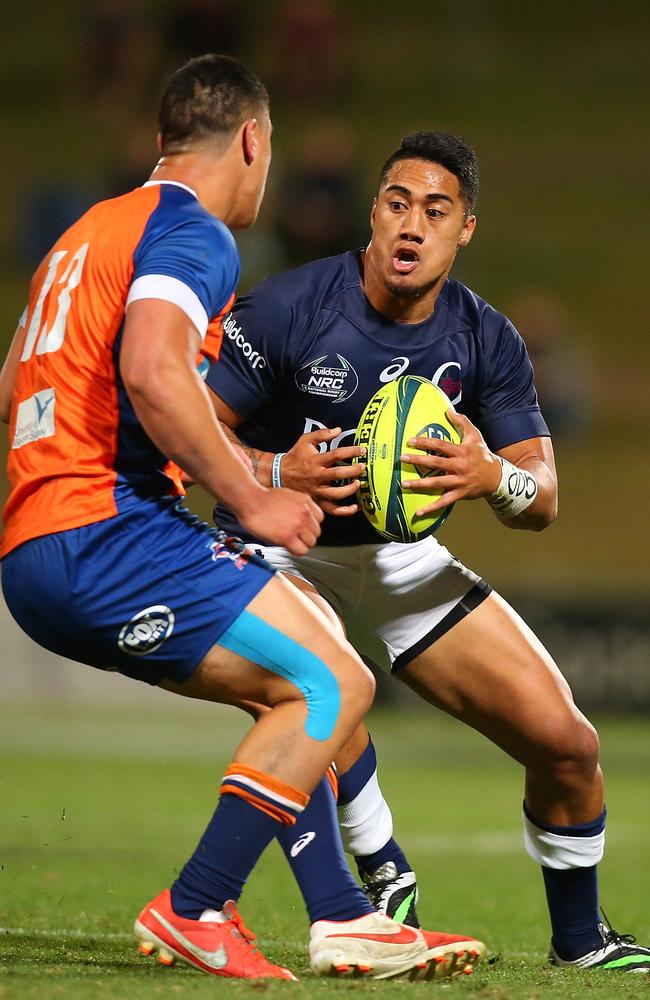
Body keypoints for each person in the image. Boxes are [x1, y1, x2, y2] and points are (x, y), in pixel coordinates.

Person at [0, 64, 484, 983]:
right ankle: (196, 904)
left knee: (298, 676)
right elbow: (153, 369)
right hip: (106, 532)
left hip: (37, 542)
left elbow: (25, 385)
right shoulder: (193, 232)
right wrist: (255, 495)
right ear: (254, 142)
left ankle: (344, 915)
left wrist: (253, 466)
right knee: (334, 680)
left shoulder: (84, 234)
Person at [207, 130, 650, 973]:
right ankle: (380, 865)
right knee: (317, 687)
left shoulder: (487, 338)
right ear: (372, 214)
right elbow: (186, 439)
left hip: (398, 564)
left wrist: (490, 476)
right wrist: (271, 468)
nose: (412, 227)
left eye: (435, 211)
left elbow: (542, 498)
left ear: (465, 229)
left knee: (569, 744)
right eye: (398, 204)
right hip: (277, 555)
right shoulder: (290, 306)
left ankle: (581, 940)